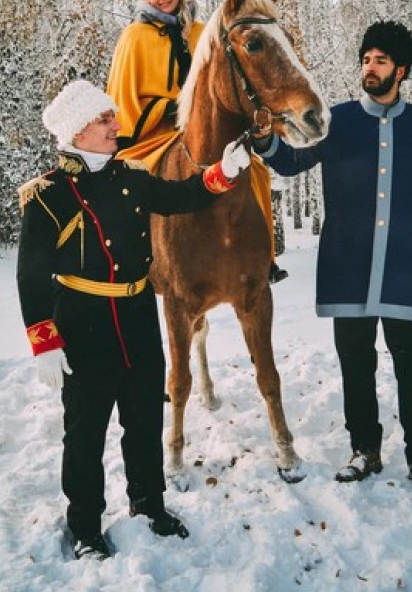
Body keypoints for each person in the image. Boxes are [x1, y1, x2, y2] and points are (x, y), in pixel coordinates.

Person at [16, 79, 250, 560]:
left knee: (144, 417)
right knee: (85, 431)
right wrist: (44, 341)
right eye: (105, 120)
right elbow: (31, 275)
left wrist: (222, 172)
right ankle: (84, 527)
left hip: (138, 312)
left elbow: (182, 196)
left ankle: (149, 506)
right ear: (77, 131)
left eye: (112, 117)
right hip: (84, 321)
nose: (115, 125)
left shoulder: (131, 175)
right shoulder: (48, 195)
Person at [254, 21, 412, 500]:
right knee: (355, 365)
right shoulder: (339, 120)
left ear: (400, 70)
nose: (370, 67)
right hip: (348, 266)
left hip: (407, 266)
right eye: (366, 59)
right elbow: (291, 162)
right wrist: (266, 140)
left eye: (381, 61)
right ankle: (364, 448)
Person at [106, 0, 288, 284]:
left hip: (204, 126)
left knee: (257, 171)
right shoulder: (135, 36)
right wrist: (168, 107)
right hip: (155, 130)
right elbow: (124, 94)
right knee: (130, 178)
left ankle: (265, 259)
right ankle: (129, 256)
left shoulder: (202, 30)